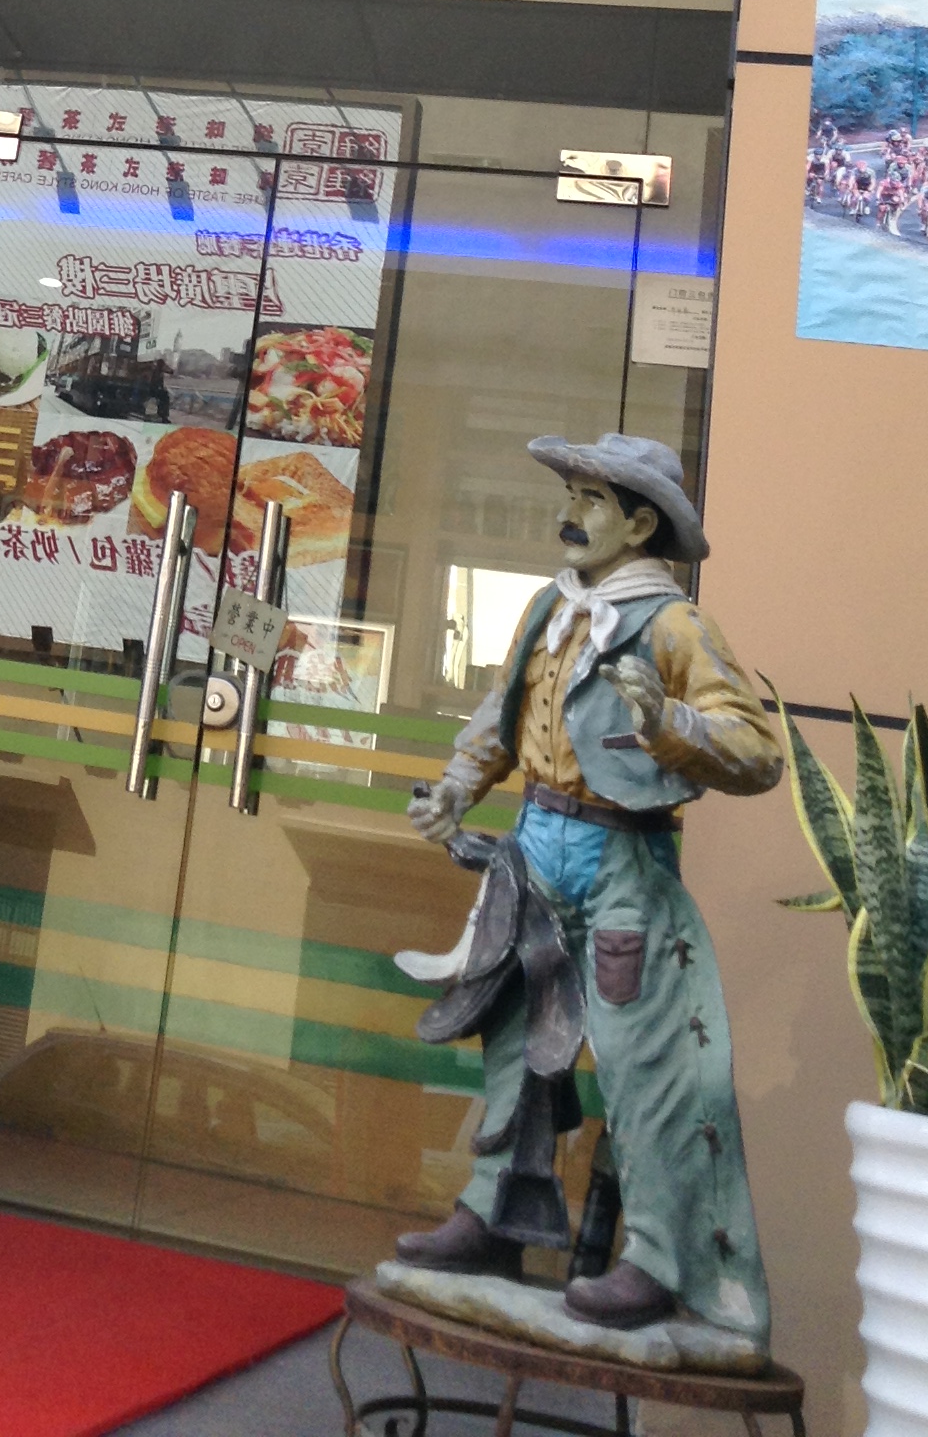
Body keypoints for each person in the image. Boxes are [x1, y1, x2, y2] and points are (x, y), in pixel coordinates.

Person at [394, 433, 780, 1343]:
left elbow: (757, 752)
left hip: (622, 863)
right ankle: (494, 1216)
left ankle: (659, 1259)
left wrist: (668, 720)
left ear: (639, 525)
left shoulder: (674, 625)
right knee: (514, 1040)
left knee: (646, 1066)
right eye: (570, 492)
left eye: (591, 499)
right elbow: (502, 716)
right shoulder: (549, 607)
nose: (569, 513)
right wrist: (455, 788)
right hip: (534, 850)